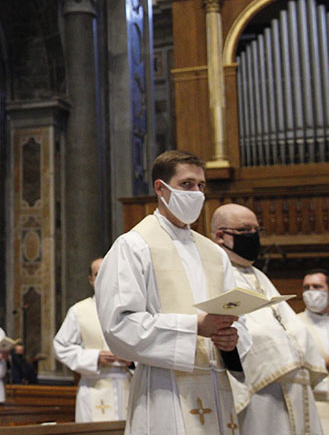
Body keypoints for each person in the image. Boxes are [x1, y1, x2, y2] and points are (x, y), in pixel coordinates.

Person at [95, 150, 251, 435]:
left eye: (201, 186)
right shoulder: (133, 246)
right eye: (187, 184)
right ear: (160, 188)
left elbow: (236, 318)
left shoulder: (215, 254)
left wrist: (231, 340)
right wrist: (194, 327)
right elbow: (118, 327)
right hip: (163, 389)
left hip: (217, 388)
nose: (196, 193)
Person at [211, 204, 325, 434]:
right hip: (260, 390)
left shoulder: (258, 275)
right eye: (245, 230)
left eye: (257, 229)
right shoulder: (213, 273)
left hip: (293, 383)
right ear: (221, 236)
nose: (253, 236)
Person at [54, 257, 131, 422]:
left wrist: (133, 360)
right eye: (98, 274)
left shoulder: (130, 309)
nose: (103, 278)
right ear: (91, 280)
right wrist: (95, 357)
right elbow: (61, 346)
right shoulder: (79, 310)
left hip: (127, 384)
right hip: (94, 385)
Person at [297, 269, 329, 431]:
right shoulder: (295, 325)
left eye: (317, 287)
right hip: (318, 404)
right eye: (306, 288)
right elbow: (289, 368)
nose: (310, 292)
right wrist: (325, 364)